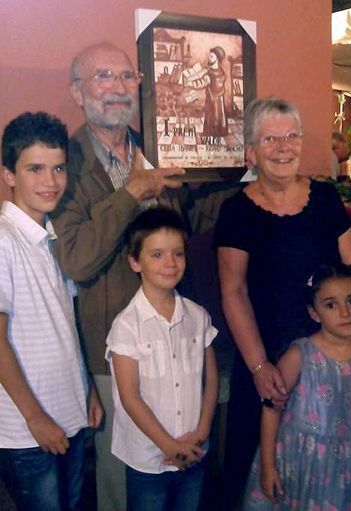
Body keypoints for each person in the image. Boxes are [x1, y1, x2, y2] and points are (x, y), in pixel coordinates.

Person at [52, 41, 237, 511]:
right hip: (116, 350)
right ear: (77, 92)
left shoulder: (157, 145)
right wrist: (132, 192)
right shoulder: (65, 163)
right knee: (126, 478)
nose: (117, 87)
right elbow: (76, 259)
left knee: (185, 464)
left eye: (126, 76)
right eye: (102, 76)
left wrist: (243, 178)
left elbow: (187, 221)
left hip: (177, 336)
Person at [214, 97, 351, 510]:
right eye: (270, 139)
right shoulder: (236, 211)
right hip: (268, 359)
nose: (283, 147)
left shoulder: (324, 198)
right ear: (250, 152)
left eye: (291, 136)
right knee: (261, 474)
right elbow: (233, 291)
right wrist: (259, 367)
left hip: (331, 357)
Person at [0, 112, 102, 511]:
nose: (51, 181)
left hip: (69, 413)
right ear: (9, 175)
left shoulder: (53, 237)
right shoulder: (4, 240)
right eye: (35, 169)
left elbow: (65, 325)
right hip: (27, 431)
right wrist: (34, 418)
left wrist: (86, 387)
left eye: (58, 168)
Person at [105, 206, 219, 511]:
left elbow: (211, 380)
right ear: (135, 261)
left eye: (177, 253)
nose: (170, 263)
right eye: (157, 255)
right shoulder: (126, 326)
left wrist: (201, 432)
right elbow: (130, 397)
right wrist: (170, 446)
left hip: (194, 448)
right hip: (149, 459)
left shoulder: (197, 316)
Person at [243, 263, 351, 510]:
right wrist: (268, 466)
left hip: (343, 468)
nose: (345, 313)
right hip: (297, 461)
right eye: (331, 305)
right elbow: (271, 407)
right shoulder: (300, 354)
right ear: (314, 313)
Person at [187, 46, 228, 137]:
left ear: (217, 59)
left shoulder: (210, 74)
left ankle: (210, 134)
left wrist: (190, 83)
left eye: (211, 57)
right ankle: (221, 132)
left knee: (211, 117)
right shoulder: (221, 72)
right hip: (219, 99)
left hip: (211, 100)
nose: (209, 58)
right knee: (219, 115)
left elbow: (201, 83)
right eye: (209, 56)